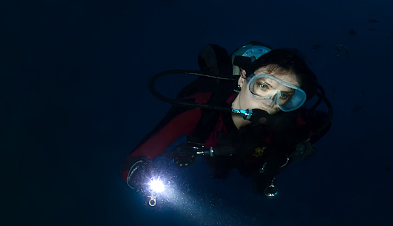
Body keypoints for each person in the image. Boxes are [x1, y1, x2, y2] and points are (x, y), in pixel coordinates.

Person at [122, 43, 332, 198]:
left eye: (284, 96)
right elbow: (130, 163)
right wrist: (140, 176)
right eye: (264, 86)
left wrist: (301, 146)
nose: (270, 102)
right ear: (243, 78)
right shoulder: (200, 109)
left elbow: (320, 124)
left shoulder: (287, 121)